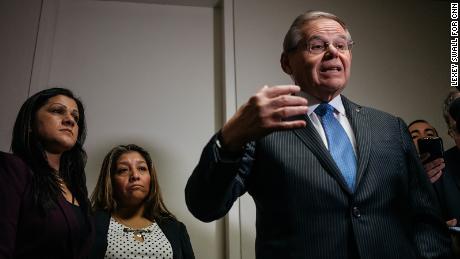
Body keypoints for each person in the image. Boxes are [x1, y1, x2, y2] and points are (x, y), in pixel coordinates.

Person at [185, 10, 452, 258]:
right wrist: (229, 138)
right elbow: (205, 206)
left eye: (341, 45)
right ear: (286, 62)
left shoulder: (390, 127)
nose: (333, 53)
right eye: (317, 45)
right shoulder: (260, 130)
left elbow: (425, 217)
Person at [0, 87, 93, 258]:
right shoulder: (11, 168)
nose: (70, 121)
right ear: (29, 124)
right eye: (58, 111)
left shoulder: (77, 190)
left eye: (75, 117)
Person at [90, 144, 194, 259]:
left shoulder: (176, 228)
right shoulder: (91, 224)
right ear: (110, 180)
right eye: (123, 170)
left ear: (151, 177)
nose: (135, 175)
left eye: (142, 168)